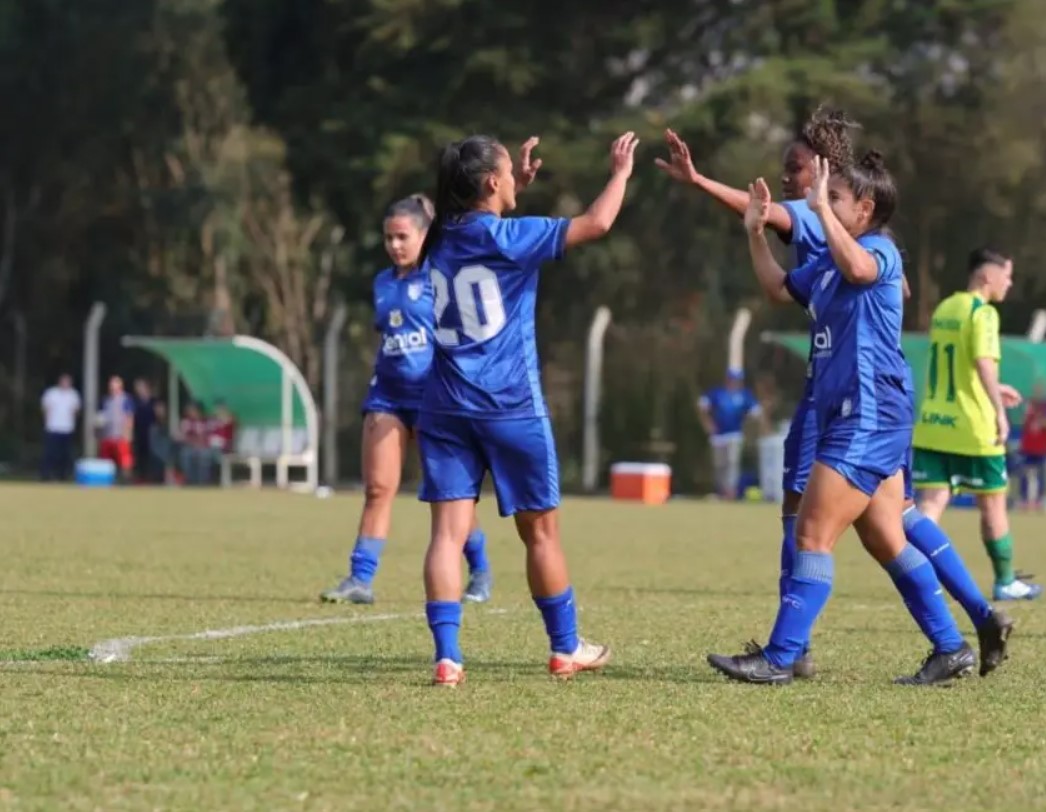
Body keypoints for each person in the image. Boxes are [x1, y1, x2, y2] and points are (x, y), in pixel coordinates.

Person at [661, 111, 1009, 680]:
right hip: (846, 407)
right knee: (885, 536)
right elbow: (777, 287)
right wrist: (753, 233)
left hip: (868, 411)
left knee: (812, 532)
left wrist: (819, 210)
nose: (815, 196)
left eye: (832, 195)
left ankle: (781, 657)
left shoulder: (879, 251)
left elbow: (865, 267)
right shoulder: (824, 267)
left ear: (862, 209)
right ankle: (952, 646)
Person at [414, 131, 636, 687]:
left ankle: (448, 658)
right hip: (509, 406)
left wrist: (513, 193)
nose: (517, 176)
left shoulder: (438, 237)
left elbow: (486, 234)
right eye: (510, 172)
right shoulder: (513, 236)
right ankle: (565, 649)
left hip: (443, 407)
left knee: (446, 536)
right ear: (492, 183)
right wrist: (621, 173)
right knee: (541, 536)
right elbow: (597, 223)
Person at [321, 194, 493, 607]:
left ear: (423, 235)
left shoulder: (441, 274)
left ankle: (481, 570)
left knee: (448, 493)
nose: (395, 245)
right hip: (388, 396)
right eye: (388, 237)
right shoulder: (383, 283)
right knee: (378, 488)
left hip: (436, 398)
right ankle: (361, 579)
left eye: (403, 236)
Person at [912, 250, 1044, 601]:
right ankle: (1005, 581)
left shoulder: (945, 309)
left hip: (933, 424)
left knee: (931, 503)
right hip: (972, 428)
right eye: (1007, 276)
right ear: (987, 277)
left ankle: (913, 575)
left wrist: (994, 388)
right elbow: (983, 362)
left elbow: (956, 365)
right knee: (993, 504)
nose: (1009, 283)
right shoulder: (982, 313)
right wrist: (999, 410)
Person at [698, 369, 765, 499]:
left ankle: (730, 491)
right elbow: (702, 406)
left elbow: (756, 413)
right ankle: (720, 490)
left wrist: (747, 425)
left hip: (735, 434)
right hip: (718, 435)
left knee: (732, 463)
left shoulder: (744, 395)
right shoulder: (717, 393)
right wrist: (708, 424)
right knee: (719, 464)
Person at [1017, 382, 1046, 510]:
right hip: (1028, 447)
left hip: (1042, 447)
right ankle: (1024, 499)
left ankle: (1039, 499)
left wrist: (1041, 420)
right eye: (1036, 389)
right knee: (1024, 473)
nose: (1038, 392)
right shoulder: (1029, 406)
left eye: (1041, 390)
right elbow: (1023, 423)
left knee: (1041, 474)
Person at [40, 373, 80, 481]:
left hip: (67, 429)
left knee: (65, 454)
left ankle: (63, 475)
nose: (65, 383)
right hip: (53, 428)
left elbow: (75, 411)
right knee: (50, 453)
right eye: (63, 381)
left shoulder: (73, 395)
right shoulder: (51, 393)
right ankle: (46, 475)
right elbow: (45, 409)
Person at [97, 375, 135, 481]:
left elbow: (129, 417)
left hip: (121, 435)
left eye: (115, 384)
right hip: (108, 435)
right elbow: (101, 417)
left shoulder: (126, 399)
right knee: (106, 460)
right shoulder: (106, 400)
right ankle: (107, 480)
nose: (113, 387)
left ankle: (126, 479)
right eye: (111, 385)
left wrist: (128, 433)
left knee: (125, 459)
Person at [132, 379, 156, 483]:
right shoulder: (135, 402)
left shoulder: (154, 401)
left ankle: (150, 476)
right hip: (139, 431)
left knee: (150, 454)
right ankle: (140, 477)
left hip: (151, 432)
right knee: (139, 454)